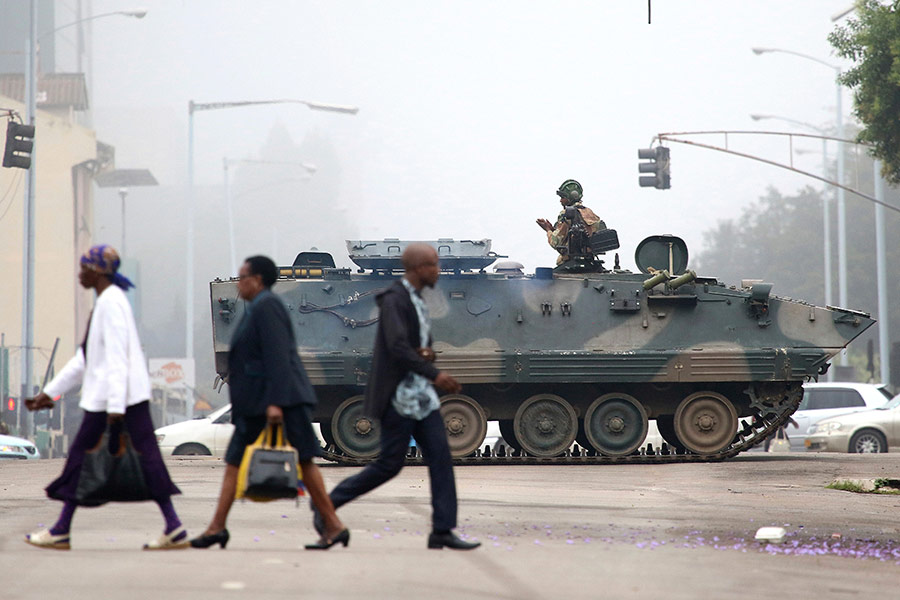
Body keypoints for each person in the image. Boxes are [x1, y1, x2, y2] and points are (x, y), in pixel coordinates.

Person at [314, 243, 480, 550]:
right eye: (433, 265)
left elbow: (409, 345)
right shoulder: (395, 299)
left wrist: (425, 354)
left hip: (421, 397)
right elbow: (396, 347)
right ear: (418, 268)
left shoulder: (415, 299)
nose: (438, 270)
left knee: (441, 460)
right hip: (399, 397)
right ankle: (325, 505)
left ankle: (442, 530)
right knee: (389, 465)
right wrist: (436, 374)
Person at [24, 245, 187, 550]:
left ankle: (61, 529)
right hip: (121, 399)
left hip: (114, 402)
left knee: (81, 458)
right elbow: (86, 359)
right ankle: (173, 526)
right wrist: (50, 393)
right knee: (146, 458)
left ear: (97, 271)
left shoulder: (111, 303)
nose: (79, 273)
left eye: (83, 267)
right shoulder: (107, 302)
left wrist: (114, 408)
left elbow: (116, 358)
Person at [190, 255, 348, 550]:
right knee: (237, 463)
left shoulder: (268, 307)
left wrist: (276, 403)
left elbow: (278, 356)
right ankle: (216, 527)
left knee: (300, 461)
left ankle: (334, 525)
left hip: (277, 403)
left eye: (243, 277)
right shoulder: (258, 308)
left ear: (258, 280)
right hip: (260, 403)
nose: (238, 283)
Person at [536, 179, 605, 264]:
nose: (560, 201)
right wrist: (553, 229)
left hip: (571, 262)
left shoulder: (567, 213)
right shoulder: (590, 213)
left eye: (562, 197)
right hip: (590, 262)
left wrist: (547, 230)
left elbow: (556, 242)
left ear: (570, 197)